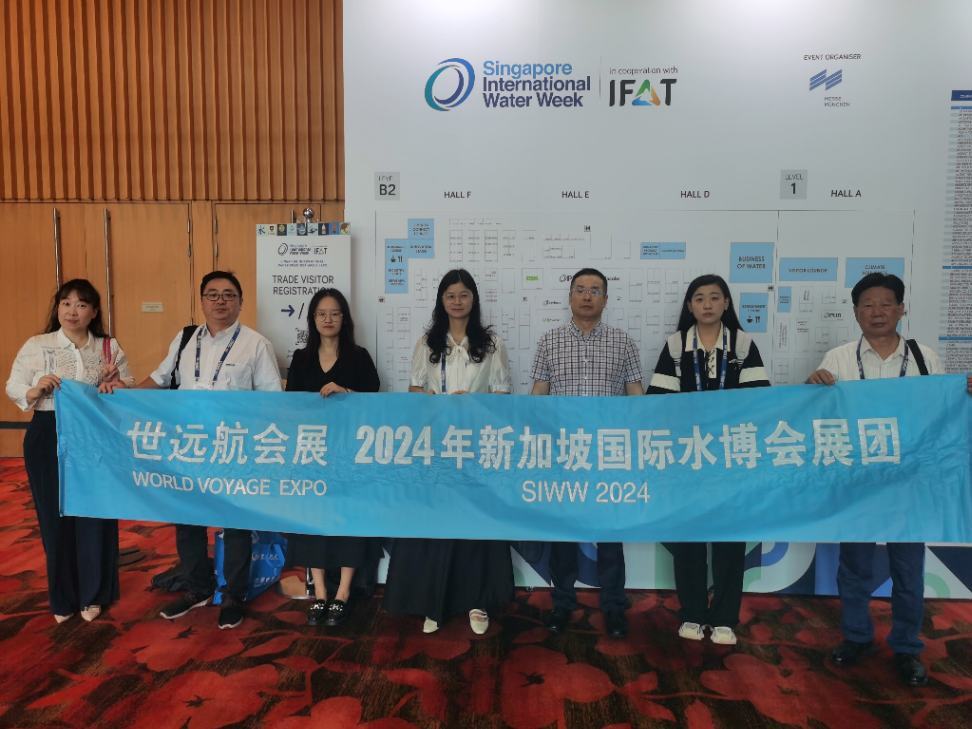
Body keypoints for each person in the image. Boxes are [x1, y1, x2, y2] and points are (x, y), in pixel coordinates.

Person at [806, 272, 972, 686]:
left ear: (901, 308)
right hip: (857, 483)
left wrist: (963, 394)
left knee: (908, 569)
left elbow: (943, 414)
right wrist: (812, 388)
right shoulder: (839, 359)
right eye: (867, 304)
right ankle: (857, 637)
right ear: (856, 312)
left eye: (885, 303)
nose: (876, 312)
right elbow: (820, 416)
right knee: (854, 567)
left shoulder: (924, 359)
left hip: (909, 483)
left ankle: (906, 647)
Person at [140, 271, 282, 630]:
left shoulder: (256, 344)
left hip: (234, 446)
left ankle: (234, 594)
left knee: (235, 523)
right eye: (213, 294)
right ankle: (197, 587)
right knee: (188, 519)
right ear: (202, 300)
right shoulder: (186, 338)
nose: (221, 301)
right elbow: (159, 379)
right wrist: (119, 394)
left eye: (229, 295)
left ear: (240, 302)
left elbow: (272, 402)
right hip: (189, 445)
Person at [383, 269, 514, 635]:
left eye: (464, 294)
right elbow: (414, 392)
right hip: (437, 446)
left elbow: (504, 396)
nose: (457, 301)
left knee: (475, 525)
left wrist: (472, 403)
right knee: (436, 527)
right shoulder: (427, 343)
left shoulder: (492, 344)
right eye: (450, 295)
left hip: (476, 446)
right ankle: (434, 603)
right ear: (441, 300)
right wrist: (430, 400)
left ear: (474, 299)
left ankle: (477, 601)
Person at [646, 274, 769, 646]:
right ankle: (693, 613)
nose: (708, 304)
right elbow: (658, 403)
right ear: (690, 306)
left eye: (715, 297)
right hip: (688, 457)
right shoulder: (675, 345)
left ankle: (726, 617)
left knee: (730, 541)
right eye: (699, 298)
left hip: (731, 458)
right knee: (688, 540)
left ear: (727, 303)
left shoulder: (743, 345)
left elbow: (759, 401)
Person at [6, 279, 133, 623]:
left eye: (81, 304)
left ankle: (94, 594)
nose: (72, 311)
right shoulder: (38, 345)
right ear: (57, 308)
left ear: (93, 312)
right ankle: (62, 597)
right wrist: (36, 389)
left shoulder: (108, 347)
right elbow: (14, 386)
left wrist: (115, 385)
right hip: (48, 432)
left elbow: (127, 389)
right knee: (54, 515)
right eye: (66, 303)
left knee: (94, 513)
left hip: (94, 435)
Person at [530, 267, 644, 638]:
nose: (587, 296)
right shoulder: (549, 341)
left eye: (595, 290)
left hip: (608, 452)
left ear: (605, 299)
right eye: (580, 289)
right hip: (565, 451)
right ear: (570, 297)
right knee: (563, 534)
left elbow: (636, 398)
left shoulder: (623, 342)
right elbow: (539, 396)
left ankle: (614, 607)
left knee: (610, 534)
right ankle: (562, 603)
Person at [285, 288, 380, 627]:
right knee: (315, 520)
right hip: (313, 452)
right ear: (312, 319)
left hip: (350, 452)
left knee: (348, 519)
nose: (328, 319)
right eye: (321, 313)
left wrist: (347, 393)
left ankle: (343, 592)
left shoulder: (359, 357)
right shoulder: (301, 358)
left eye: (335, 313)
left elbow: (375, 402)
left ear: (345, 318)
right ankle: (321, 592)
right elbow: (291, 406)